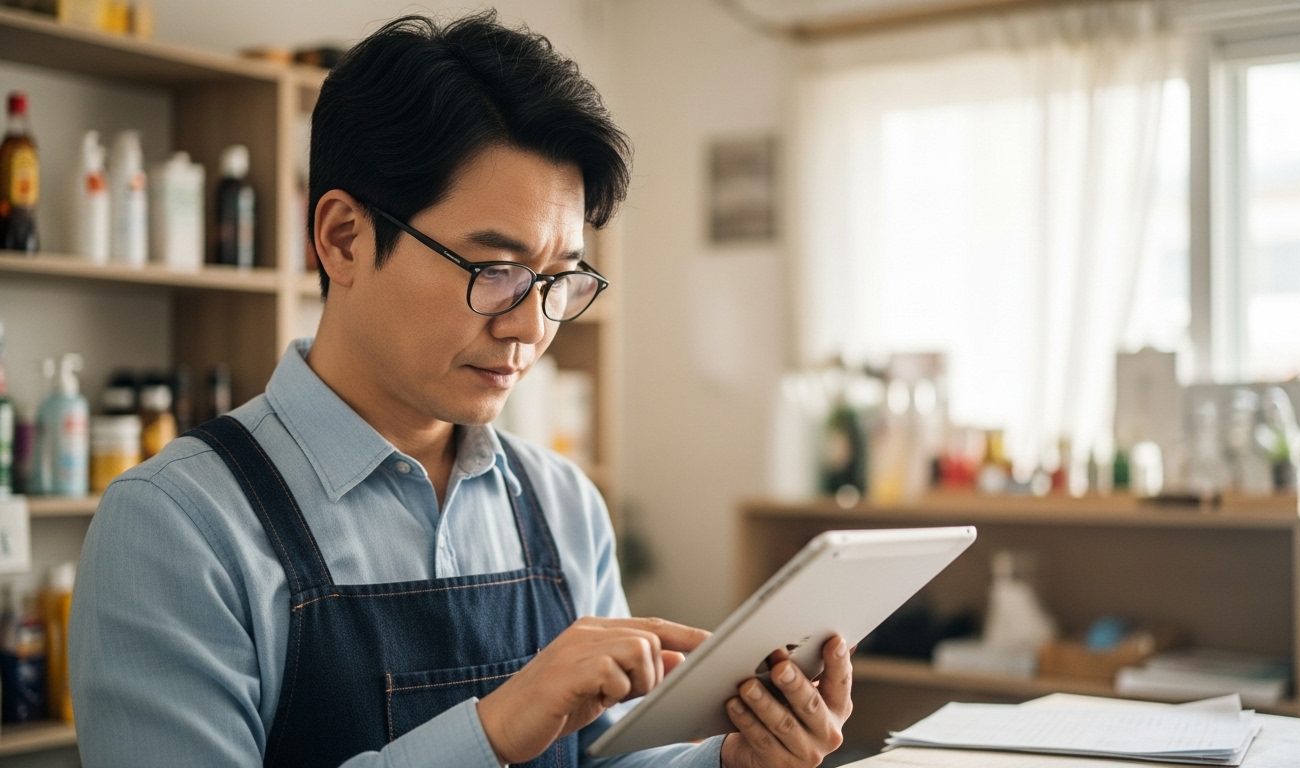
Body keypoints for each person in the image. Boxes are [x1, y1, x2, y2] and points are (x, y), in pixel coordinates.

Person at [69, 11, 852, 768]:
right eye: (496, 270)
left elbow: (603, 758)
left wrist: (732, 761)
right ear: (343, 238)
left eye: (557, 278)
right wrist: (495, 730)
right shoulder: (177, 526)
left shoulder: (562, 503)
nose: (529, 327)